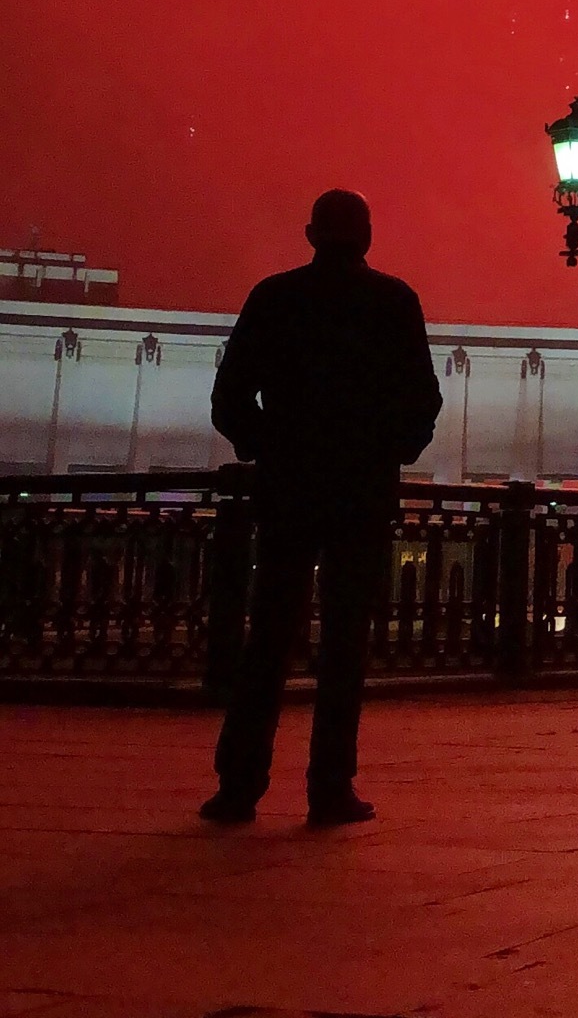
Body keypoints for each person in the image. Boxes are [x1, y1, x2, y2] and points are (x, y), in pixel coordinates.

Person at [200, 190, 443, 828]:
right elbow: (424, 399)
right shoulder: (394, 302)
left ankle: (239, 785)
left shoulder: (275, 298)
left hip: (288, 487)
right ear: (367, 236)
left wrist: (268, 446)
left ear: (309, 234)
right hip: (360, 492)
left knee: (269, 636)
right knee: (344, 645)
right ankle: (330, 787)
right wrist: (384, 452)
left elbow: (229, 397)